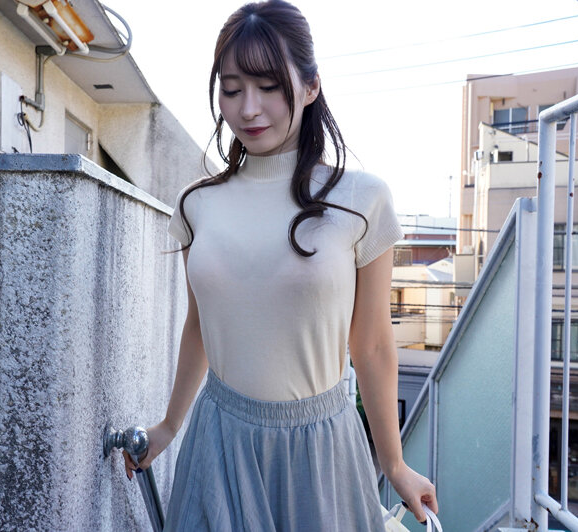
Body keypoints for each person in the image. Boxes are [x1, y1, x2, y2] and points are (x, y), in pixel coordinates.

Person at [123, 1, 440, 529]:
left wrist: (394, 464)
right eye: (231, 89)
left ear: (311, 86)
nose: (248, 109)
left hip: (321, 451)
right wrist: (169, 426)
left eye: (268, 86)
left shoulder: (361, 199)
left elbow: (372, 344)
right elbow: (200, 326)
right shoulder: (196, 204)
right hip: (219, 442)